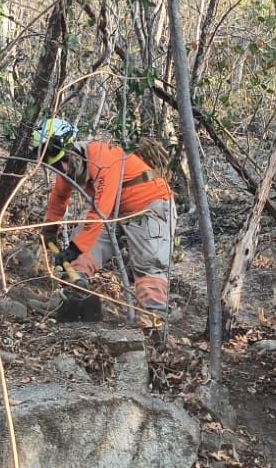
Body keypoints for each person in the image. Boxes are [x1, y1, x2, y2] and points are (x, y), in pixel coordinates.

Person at [34, 117, 176, 326]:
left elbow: (100, 209)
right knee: (81, 254)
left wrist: (74, 247)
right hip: (114, 210)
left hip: (150, 206)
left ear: (73, 150)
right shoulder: (66, 168)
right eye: (55, 165)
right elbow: (59, 198)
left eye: (64, 162)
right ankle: (76, 299)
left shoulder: (102, 157)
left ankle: (153, 319)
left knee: (149, 262)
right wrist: (50, 229)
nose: (63, 169)